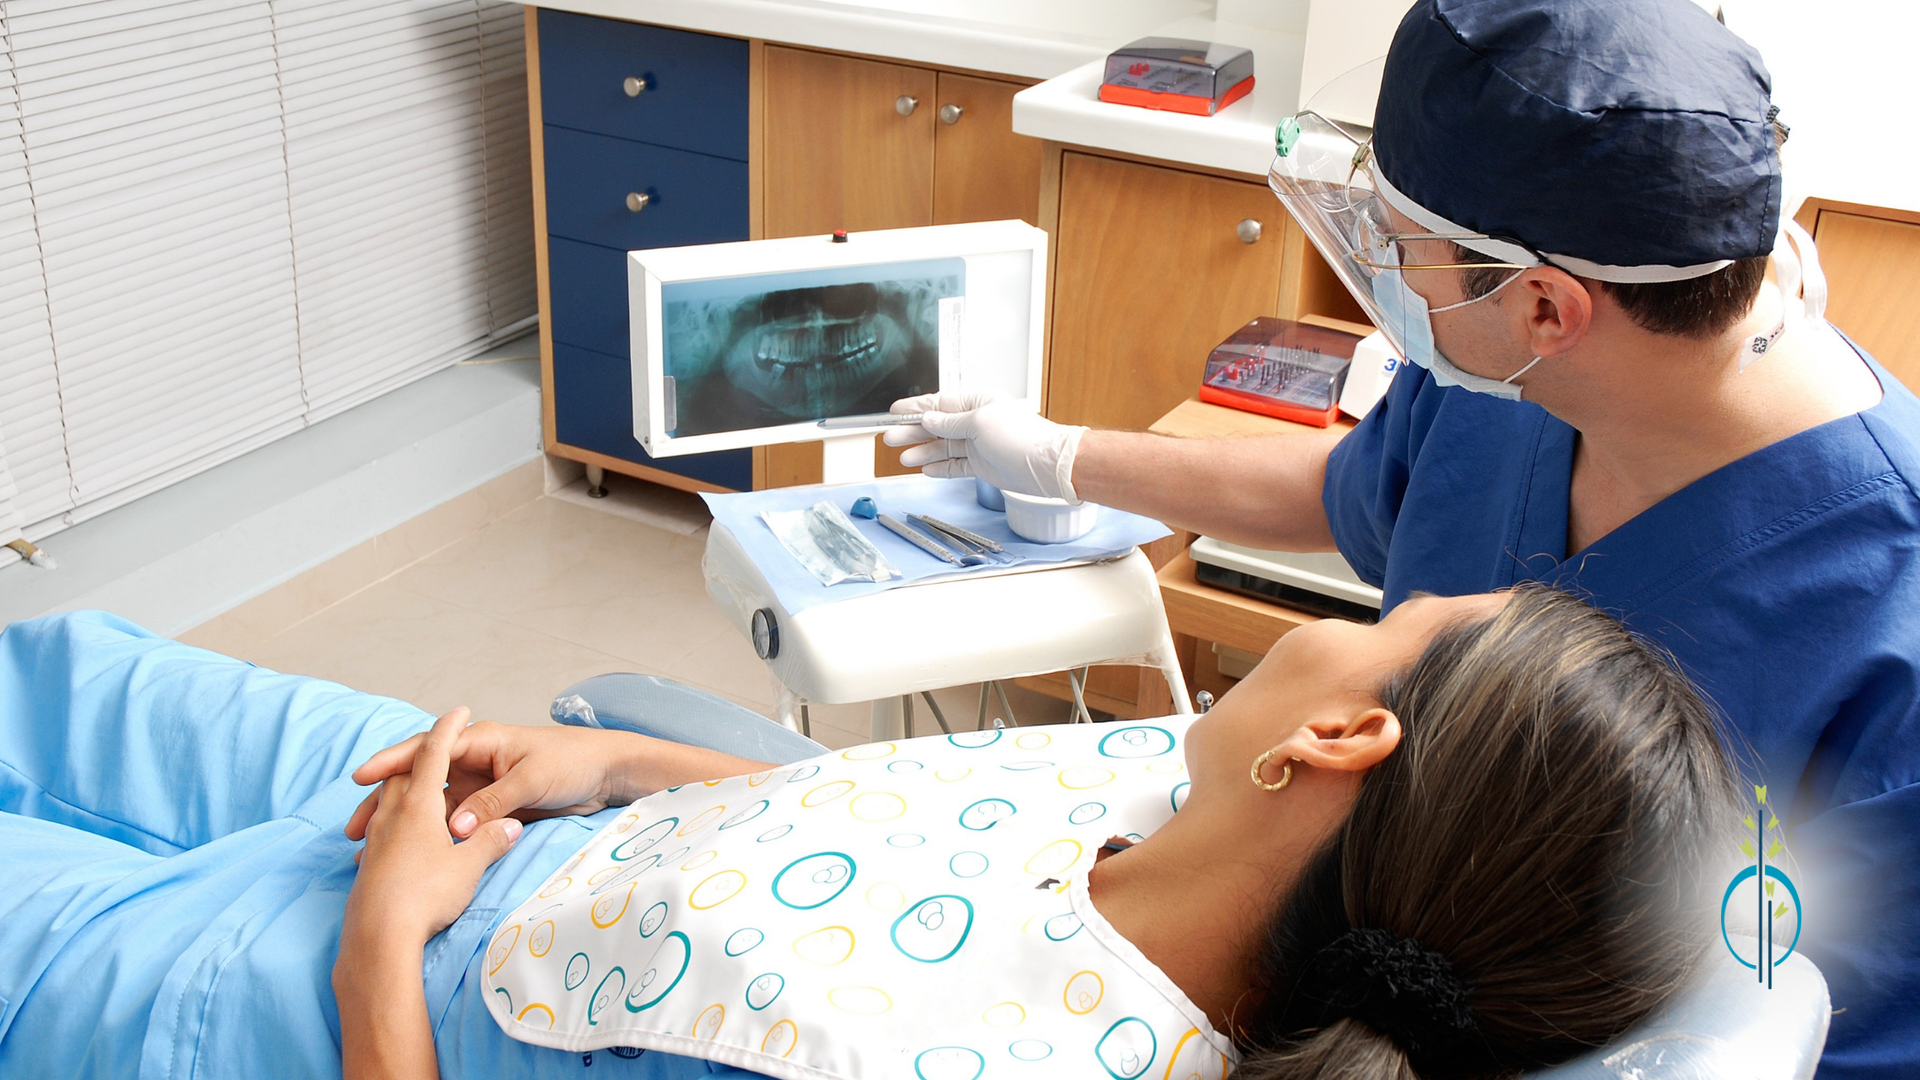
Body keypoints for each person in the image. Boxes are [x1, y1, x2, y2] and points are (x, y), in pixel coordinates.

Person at [884, 2, 1920, 1074]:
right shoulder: (1504, 384)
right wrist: (1061, 458)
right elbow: (1352, 494)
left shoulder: (1891, 613)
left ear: (1548, 308)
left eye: (1397, 244)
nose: (1379, 273)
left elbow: (1824, 1034)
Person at [0, 590, 1735, 1080]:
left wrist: (386, 932)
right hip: (510, 824)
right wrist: (602, 758)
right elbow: (873, 823)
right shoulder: (1198, 795)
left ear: (1351, 735)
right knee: (71, 678)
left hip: (340, 999)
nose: (1372, 609)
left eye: (1407, 618)